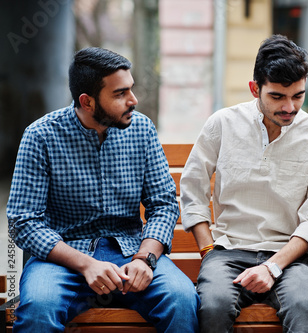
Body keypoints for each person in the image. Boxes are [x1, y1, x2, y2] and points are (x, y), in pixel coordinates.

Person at [7, 47, 199, 333]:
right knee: (38, 309)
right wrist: (86, 264)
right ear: (87, 101)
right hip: (62, 257)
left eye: (131, 90)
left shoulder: (142, 130)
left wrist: (145, 259)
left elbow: (163, 205)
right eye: (120, 94)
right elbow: (23, 221)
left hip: (132, 252)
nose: (133, 101)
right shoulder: (41, 136)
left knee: (182, 300)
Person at [180, 34, 308, 333]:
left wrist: (273, 266)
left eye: (298, 96)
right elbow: (192, 188)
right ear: (255, 89)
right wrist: (207, 250)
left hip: (292, 258)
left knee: (303, 306)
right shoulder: (222, 123)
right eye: (277, 96)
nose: (290, 107)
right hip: (226, 253)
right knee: (212, 306)